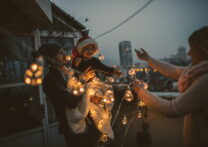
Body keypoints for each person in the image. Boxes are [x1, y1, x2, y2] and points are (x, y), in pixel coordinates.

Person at [133, 26, 208, 147]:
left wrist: (141, 92)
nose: (189, 53)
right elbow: (173, 70)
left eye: (192, 48)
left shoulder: (205, 80)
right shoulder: (197, 71)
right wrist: (148, 59)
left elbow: (172, 109)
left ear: (203, 50)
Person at [38, 43, 94, 147]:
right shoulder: (50, 80)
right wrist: (81, 82)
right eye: (60, 53)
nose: (65, 56)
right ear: (51, 58)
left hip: (86, 122)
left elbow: (82, 90)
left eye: (65, 52)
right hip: (71, 128)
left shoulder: (69, 73)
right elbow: (71, 102)